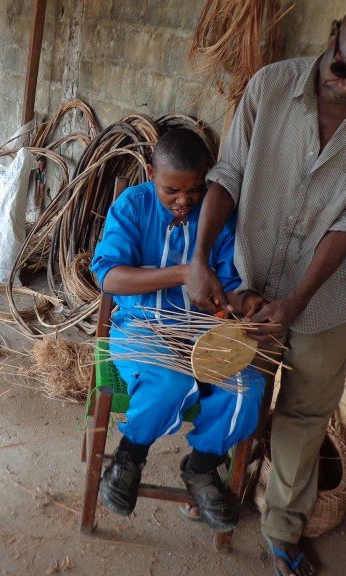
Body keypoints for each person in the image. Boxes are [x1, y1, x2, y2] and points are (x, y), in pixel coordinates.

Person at [185, 0, 346, 573]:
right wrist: (199, 259)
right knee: (234, 388)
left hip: (327, 299)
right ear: (334, 34)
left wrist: (297, 301)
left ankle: (282, 528)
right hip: (251, 278)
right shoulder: (271, 86)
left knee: (304, 414)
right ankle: (211, 476)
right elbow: (228, 174)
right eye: (344, 68)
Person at [90, 128, 266, 531]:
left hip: (203, 332)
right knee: (170, 382)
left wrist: (248, 303)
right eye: (171, 190)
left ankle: (201, 466)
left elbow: (228, 289)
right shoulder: (132, 206)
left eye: (194, 190)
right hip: (142, 329)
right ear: (152, 174)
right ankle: (129, 457)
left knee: (247, 390)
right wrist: (185, 273)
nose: (183, 200)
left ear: (207, 178)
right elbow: (109, 277)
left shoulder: (218, 217)